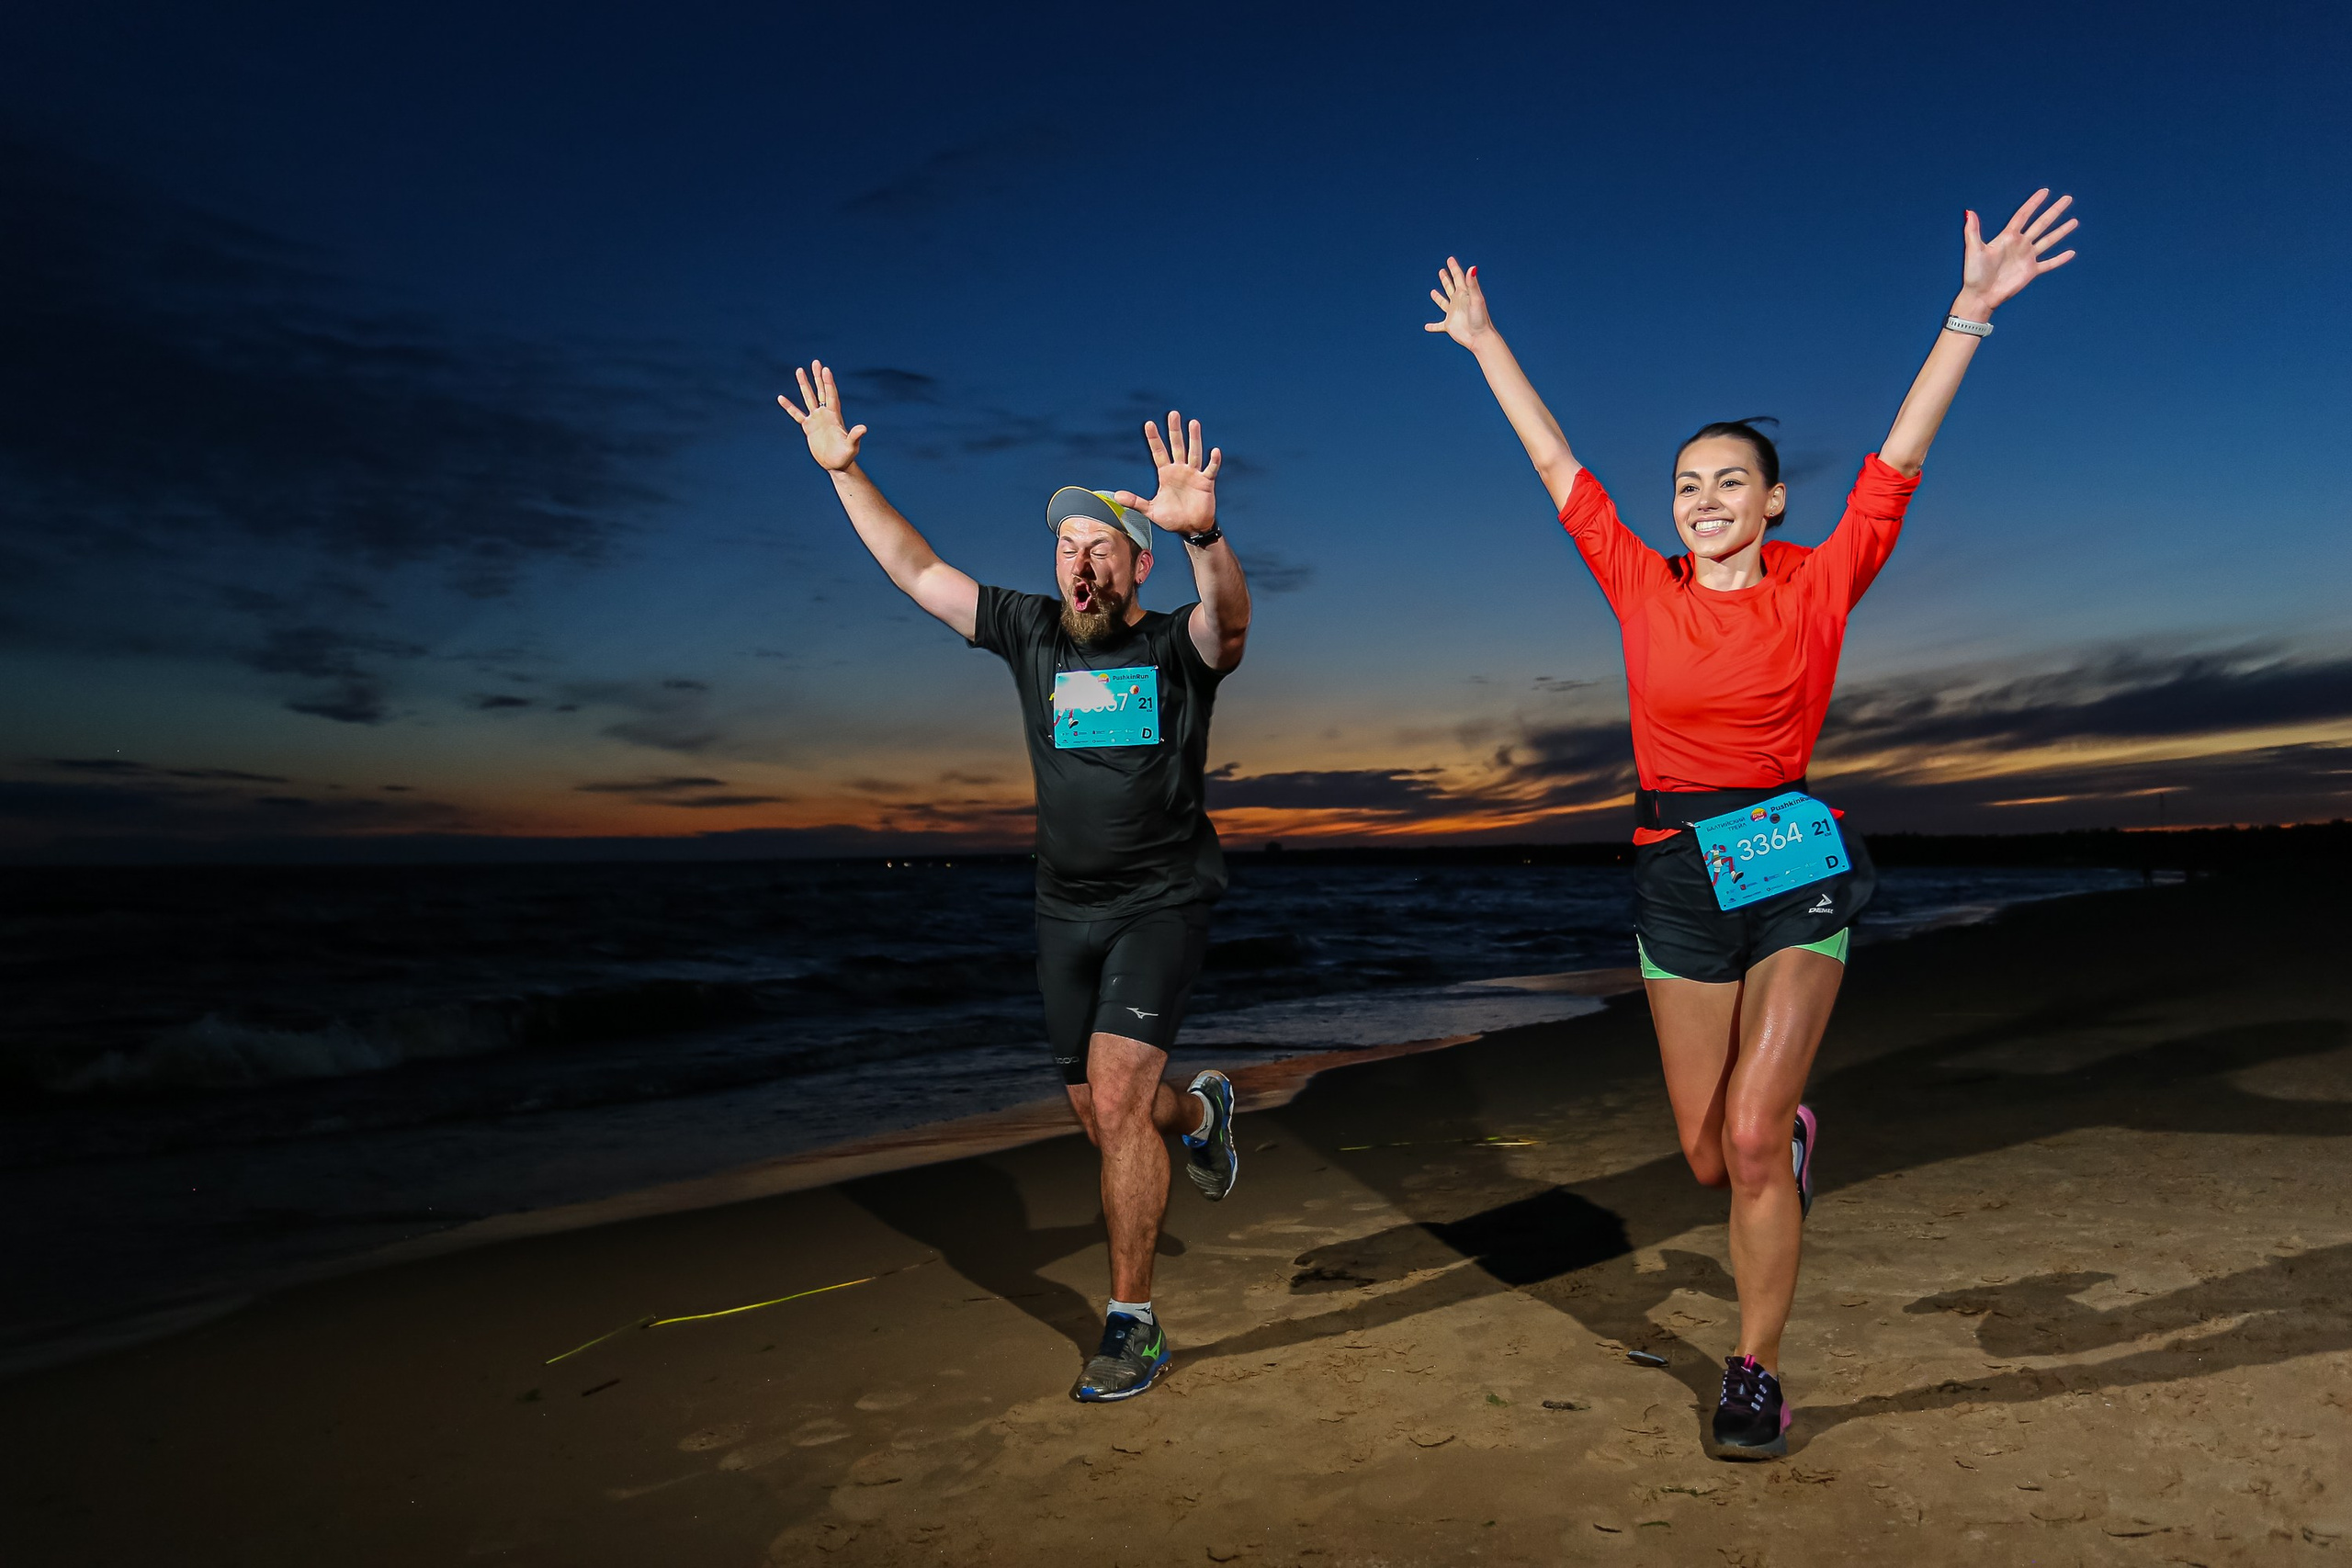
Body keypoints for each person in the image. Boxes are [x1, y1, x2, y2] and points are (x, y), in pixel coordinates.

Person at [1426, 191, 2078, 1457]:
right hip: (1675, 872)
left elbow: (1900, 451)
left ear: (1775, 500)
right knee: (1704, 1151)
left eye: (1732, 481)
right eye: (1688, 484)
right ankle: (1786, 1135)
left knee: (1746, 1132)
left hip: (1791, 865)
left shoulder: (1824, 580)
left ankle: (1755, 1368)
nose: (1705, 498)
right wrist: (1487, 340)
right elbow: (1558, 464)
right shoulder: (1640, 583)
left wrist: (1968, 314)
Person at [779, 364, 1253, 1403]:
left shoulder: (1175, 646)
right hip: (1062, 911)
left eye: (1099, 549)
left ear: (1134, 568)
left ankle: (1133, 1325)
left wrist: (1203, 538)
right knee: (1105, 1119)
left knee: (1117, 1100)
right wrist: (844, 473)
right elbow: (917, 571)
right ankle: (1201, 1116)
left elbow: (1231, 622)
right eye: (1065, 546)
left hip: (1162, 901)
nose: (1078, 564)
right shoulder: (1030, 633)